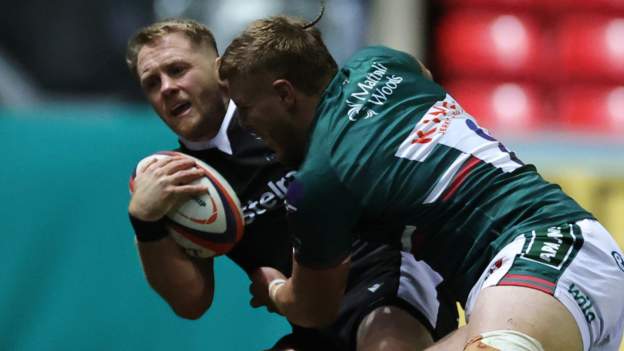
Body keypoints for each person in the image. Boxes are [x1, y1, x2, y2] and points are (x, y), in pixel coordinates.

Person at [218, 15, 624, 351]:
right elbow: (423, 75)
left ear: (285, 94)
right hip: (554, 266)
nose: (246, 124)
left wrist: (274, 288)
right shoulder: (378, 61)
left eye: (248, 108)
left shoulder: (319, 181)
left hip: (539, 253)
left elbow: (313, 307)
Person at [125, 18, 458, 351]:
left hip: (389, 280)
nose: (166, 88)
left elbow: (411, 82)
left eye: (178, 69)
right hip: (312, 315)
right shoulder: (177, 180)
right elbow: (191, 302)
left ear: (218, 68)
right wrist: (145, 220)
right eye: (151, 83)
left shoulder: (278, 104)